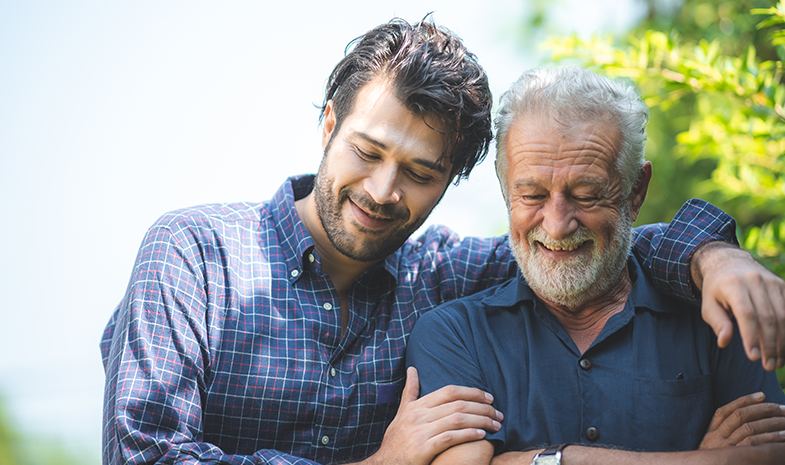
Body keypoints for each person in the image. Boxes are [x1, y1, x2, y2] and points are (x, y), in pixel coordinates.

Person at [100, 19, 785, 465]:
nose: (381, 190)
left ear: (453, 180)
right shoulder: (193, 254)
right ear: (329, 125)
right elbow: (146, 456)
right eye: (367, 151)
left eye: (420, 173)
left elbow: (588, 241)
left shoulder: (439, 274)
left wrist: (710, 254)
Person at [406, 66, 785, 465]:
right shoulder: (453, 335)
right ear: (505, 191)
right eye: (532, 195)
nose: (556, 225)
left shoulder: (715, 316)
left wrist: (540, 460)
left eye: (586, 195)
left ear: (635, 191)